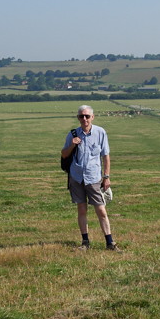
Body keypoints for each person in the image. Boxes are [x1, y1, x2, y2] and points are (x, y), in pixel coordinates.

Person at [61, 105, 119, 251]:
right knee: (82, 209)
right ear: (78, 118)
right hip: (77, 177)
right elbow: (64, 154)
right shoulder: (73, 134)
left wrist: (106, 177)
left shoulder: (100, 132)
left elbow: (105, 156)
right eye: (81, 116)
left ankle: (110, 243)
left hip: (94, 178)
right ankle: (85, 242)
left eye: (87, 116)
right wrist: (72, 145)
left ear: (92, 117)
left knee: (101, 210)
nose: (84, 119)